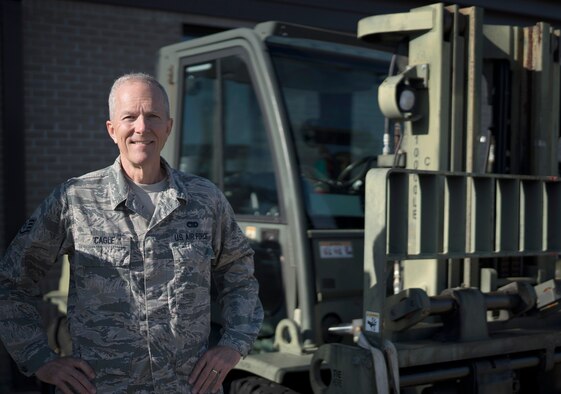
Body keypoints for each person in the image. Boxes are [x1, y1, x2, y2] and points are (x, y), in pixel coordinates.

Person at [0, 73, 264, 393]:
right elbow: (11, 281)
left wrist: (234, 343)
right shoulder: (74, 199)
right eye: (130, 117)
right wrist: (39, 357)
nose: (142, 127)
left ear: (168, 126)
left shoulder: (205, 199)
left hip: (186, 387)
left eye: (153, 116)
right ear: (112, 129)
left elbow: (239, 275)